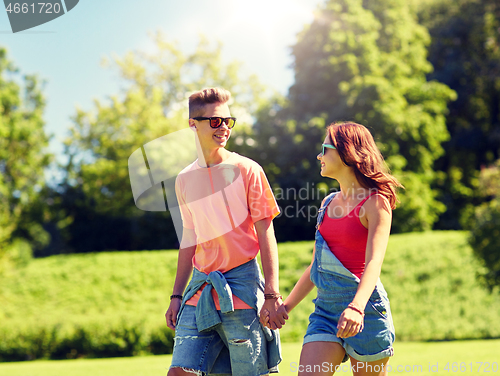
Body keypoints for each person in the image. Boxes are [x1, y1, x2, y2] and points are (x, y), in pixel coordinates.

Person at [262, 122, 403, 376]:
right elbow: (317, 265)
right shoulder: (327, 204)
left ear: (347, 152)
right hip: (325, 312)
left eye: (324, 148)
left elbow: (374, 262)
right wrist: (286, 307)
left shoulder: (376, 202)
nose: (319, 156)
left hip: (366, 310)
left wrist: (357, 307)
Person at [165, 87, 287, 376]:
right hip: (200, 290)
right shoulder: (183, 180)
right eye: (215, 121)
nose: (224, 128)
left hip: (241, 288)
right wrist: (176, 295)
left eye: (228, 121)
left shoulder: (248, 170)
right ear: (193, 124)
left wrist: (271, 293)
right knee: (180, 372)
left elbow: (266, 233)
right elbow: (189, 239)